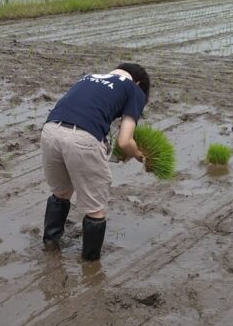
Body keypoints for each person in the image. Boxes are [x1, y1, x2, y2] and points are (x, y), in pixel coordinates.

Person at [40, 63, 151, 261]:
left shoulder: (89, 77)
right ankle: (90, 264)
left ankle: (50, 244)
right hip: (82, 138)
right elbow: (125, 141)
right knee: (95, 207)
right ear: (139, 83)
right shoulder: (134, 89)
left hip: (50, 131)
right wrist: (140, 156)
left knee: (61, 192)